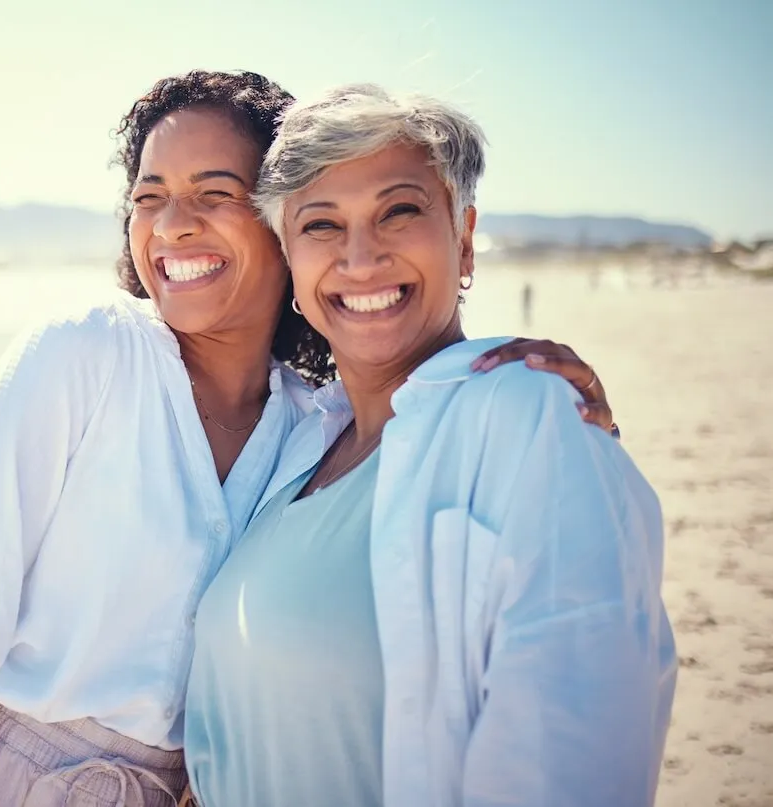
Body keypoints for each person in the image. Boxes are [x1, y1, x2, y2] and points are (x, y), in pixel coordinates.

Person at [0, 71, 620, 807]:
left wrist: (511, 373)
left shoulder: (316, 427)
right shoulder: (86, 353)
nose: (174, 225)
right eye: (151, 197)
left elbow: (414, 372)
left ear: (279, 225)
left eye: (216, 192)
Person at [183, 84, 675, 807]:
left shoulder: (526, 412)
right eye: (321, 225)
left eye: (400, 211)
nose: (361, 257)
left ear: (465, 236)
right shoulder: (295, 444)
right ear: (290, 261)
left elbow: (567, 746)